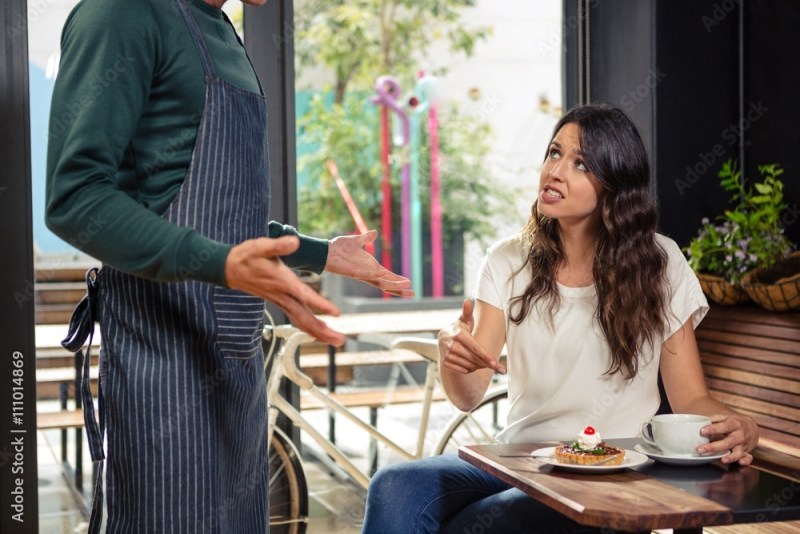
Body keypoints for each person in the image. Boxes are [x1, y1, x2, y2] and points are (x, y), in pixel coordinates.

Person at [45, 0, 412, 532]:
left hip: (235, 366)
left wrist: (319, 253)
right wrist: (220, 262)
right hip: (162, 372)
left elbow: (209, 217)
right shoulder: (121, 14)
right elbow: (75, 197)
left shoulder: (221, 31)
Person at [361, 103, 759, 534]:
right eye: (554, 152)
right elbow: (468, 394)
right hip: (519, 459)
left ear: (614, 184)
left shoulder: (661, 264)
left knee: (479, 523)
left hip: (614, 469)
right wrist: (453, 356)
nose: (556, 170)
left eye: (580, 163)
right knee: (394, 487)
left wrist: (743, 427)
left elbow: (690, 400)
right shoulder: (507, 260)